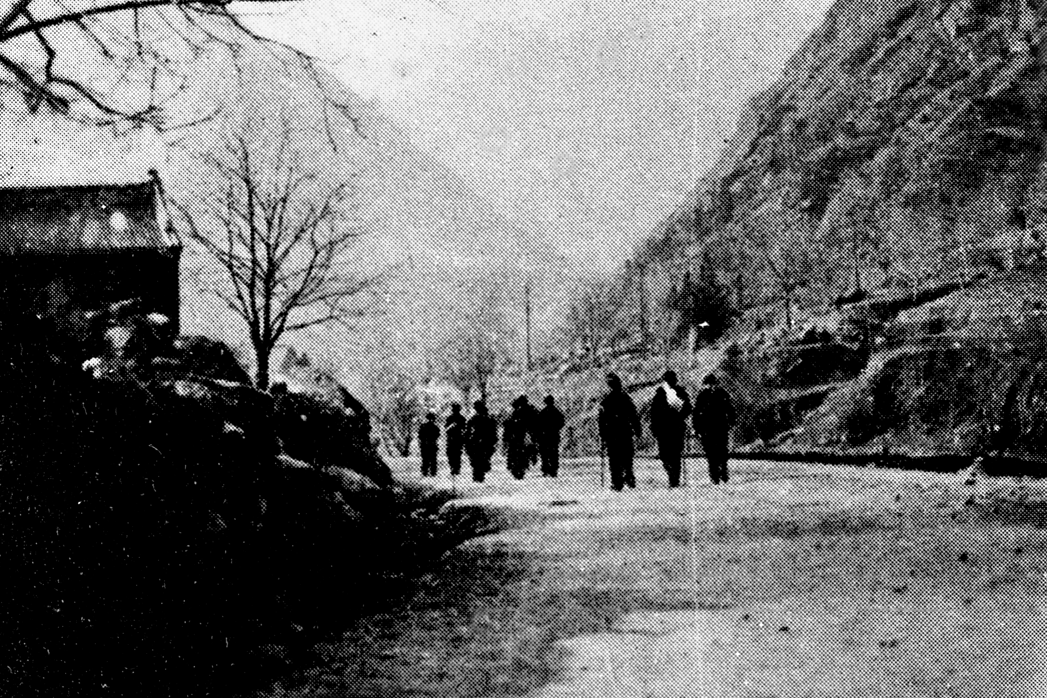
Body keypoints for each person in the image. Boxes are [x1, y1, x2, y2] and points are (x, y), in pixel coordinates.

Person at [598, 373, 642, 491]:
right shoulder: (625, 398)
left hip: (612, 433)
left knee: (614, 458)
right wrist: (638, 430)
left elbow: (602, 420)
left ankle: (617, 482)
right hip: (625, 431)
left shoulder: (606, 400)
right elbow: (633, 415)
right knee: (627, 456)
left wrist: (602, 434)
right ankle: (628, 475)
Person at [650, 370, 692, 488]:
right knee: (664, 454)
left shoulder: (680, 392)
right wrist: (655, 427)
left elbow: (688, 408)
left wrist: (680, 414)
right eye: (670, 379)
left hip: (676, 427)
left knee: (675, 454)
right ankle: (672, 474)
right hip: (664, 428)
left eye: (673, 379)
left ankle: (674, 479)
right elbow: (654, 412)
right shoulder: (660, 393)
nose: (672, 381)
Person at [692, 374, 736, 485]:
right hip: (707, 428)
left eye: (712, 384)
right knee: (710, 453)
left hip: (721, 426)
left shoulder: (722, 393)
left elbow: (730, 408)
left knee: (722, 451)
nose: (711, 386)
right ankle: (714, 475)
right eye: (708, 384)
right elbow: (696, 413)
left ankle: (723, 471)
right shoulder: (702, 396)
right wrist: (697, 428)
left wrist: (731, 422)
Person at [465, 400, 498, 483]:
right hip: (484, 442)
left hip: (478, 442)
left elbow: (468, 432)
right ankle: (479, 474)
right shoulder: (488, 419)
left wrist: (467, 442)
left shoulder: (474, 419)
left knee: (477, 459)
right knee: (481, 458)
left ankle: (478, 475)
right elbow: (494, 432)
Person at [504, 395, 535, 480]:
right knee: (523, 454)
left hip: (519, 436)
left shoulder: (517, 412)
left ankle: (518, 469)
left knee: (517, 454)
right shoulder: (529, 410)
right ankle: (520, 468)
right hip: (522, 436)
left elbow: (509, 426)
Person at [537, 395, 565, 477]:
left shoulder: (543, 412)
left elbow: (538, 424)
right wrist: (555, 428)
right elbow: (562, 422)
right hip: (552, 435)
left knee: (546, 454)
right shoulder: (556, 411)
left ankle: (548, 470)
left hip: (546, 436)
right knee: (552, 453)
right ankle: (552, 470)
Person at [445, 403, 467, 476]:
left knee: (453, 454)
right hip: (457, 439)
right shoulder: (461, 418)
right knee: (456, 454)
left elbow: (446, 429)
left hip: (454, 439)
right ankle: (456, 468)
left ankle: (454, 468)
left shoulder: (451, 418)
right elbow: (465, 429)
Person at [418, 412, 440, 477]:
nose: (430, 420)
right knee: (430, 459)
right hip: (430, 444)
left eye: (431, 419)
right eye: (430, 419)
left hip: (427, 444)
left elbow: (420, 436)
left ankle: (428, 471)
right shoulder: (434, 427)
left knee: (428, 459)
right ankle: (430, 472)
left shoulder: (424, 426)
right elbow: (437, 435)